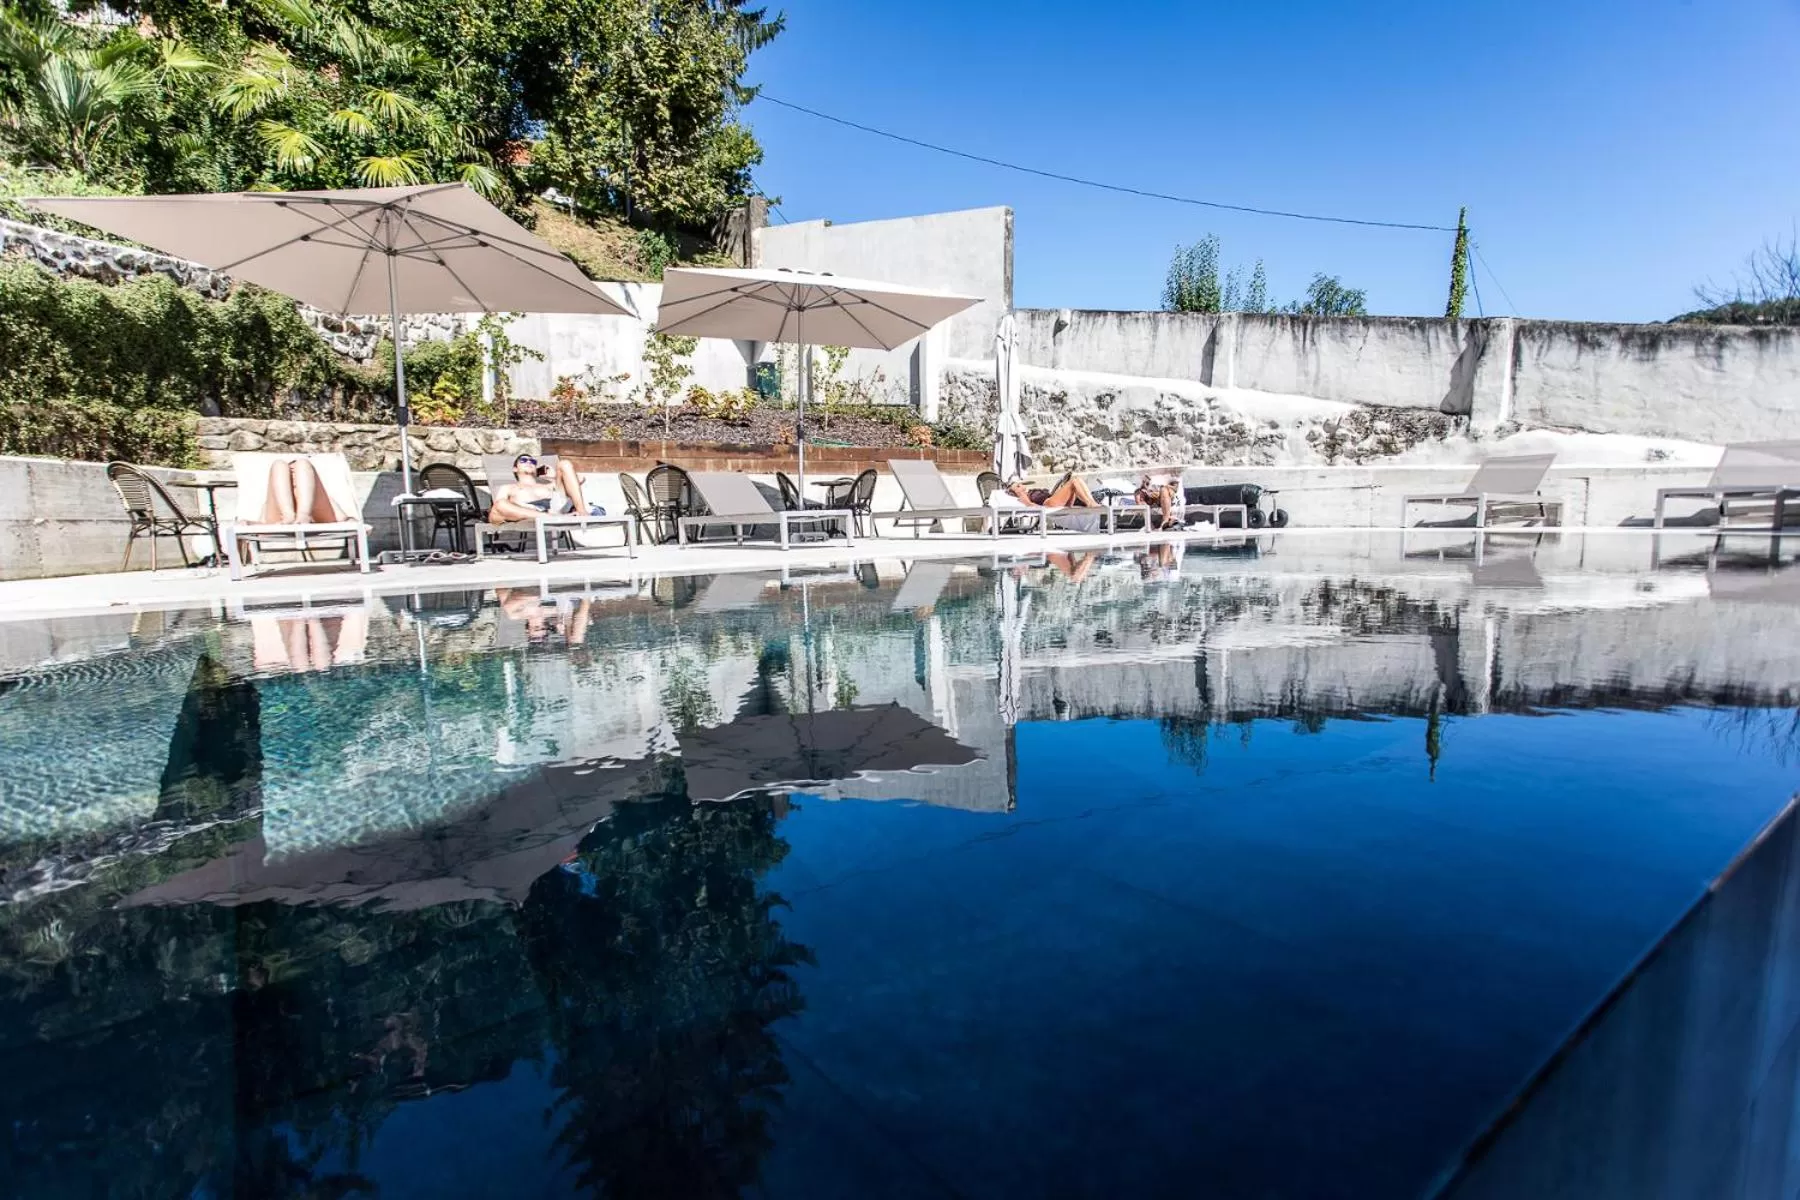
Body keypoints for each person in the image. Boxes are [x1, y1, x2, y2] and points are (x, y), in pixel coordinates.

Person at [488, 454, 607, 525]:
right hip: (530, 511)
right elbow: (497, 510)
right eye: (523, 461)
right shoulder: (509, 487)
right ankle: (552, 518)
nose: (529, 462)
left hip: (556, 505)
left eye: (533, 461)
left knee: (564, 464)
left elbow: (580, 479)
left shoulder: (550, 484)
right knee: (500, 505)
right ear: (515, 469)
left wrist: (554, 476)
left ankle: (582, 513)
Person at [260, 456, 341, 524]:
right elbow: (261, 523)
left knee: (302, 464)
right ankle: (289, 514)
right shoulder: (270, 503)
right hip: (281, 518)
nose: (293, 475)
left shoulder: (327, 500)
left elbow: (344, 519)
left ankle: (301, 514)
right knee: (279, 465)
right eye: (291, 474)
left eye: (295, 473)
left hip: (318, 519)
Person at [1004, 472, 1101, 509]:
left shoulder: (1027, 492)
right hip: (1049, 504)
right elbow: (1031, 506)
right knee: (1074, 481)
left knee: (1077, 479)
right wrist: (1043, 509)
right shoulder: (1022, 496)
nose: (1020, 485)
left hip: (1053, 500)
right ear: (1016, 492)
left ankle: (1091, 502)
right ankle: (1090, 503)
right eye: (1017, 486)